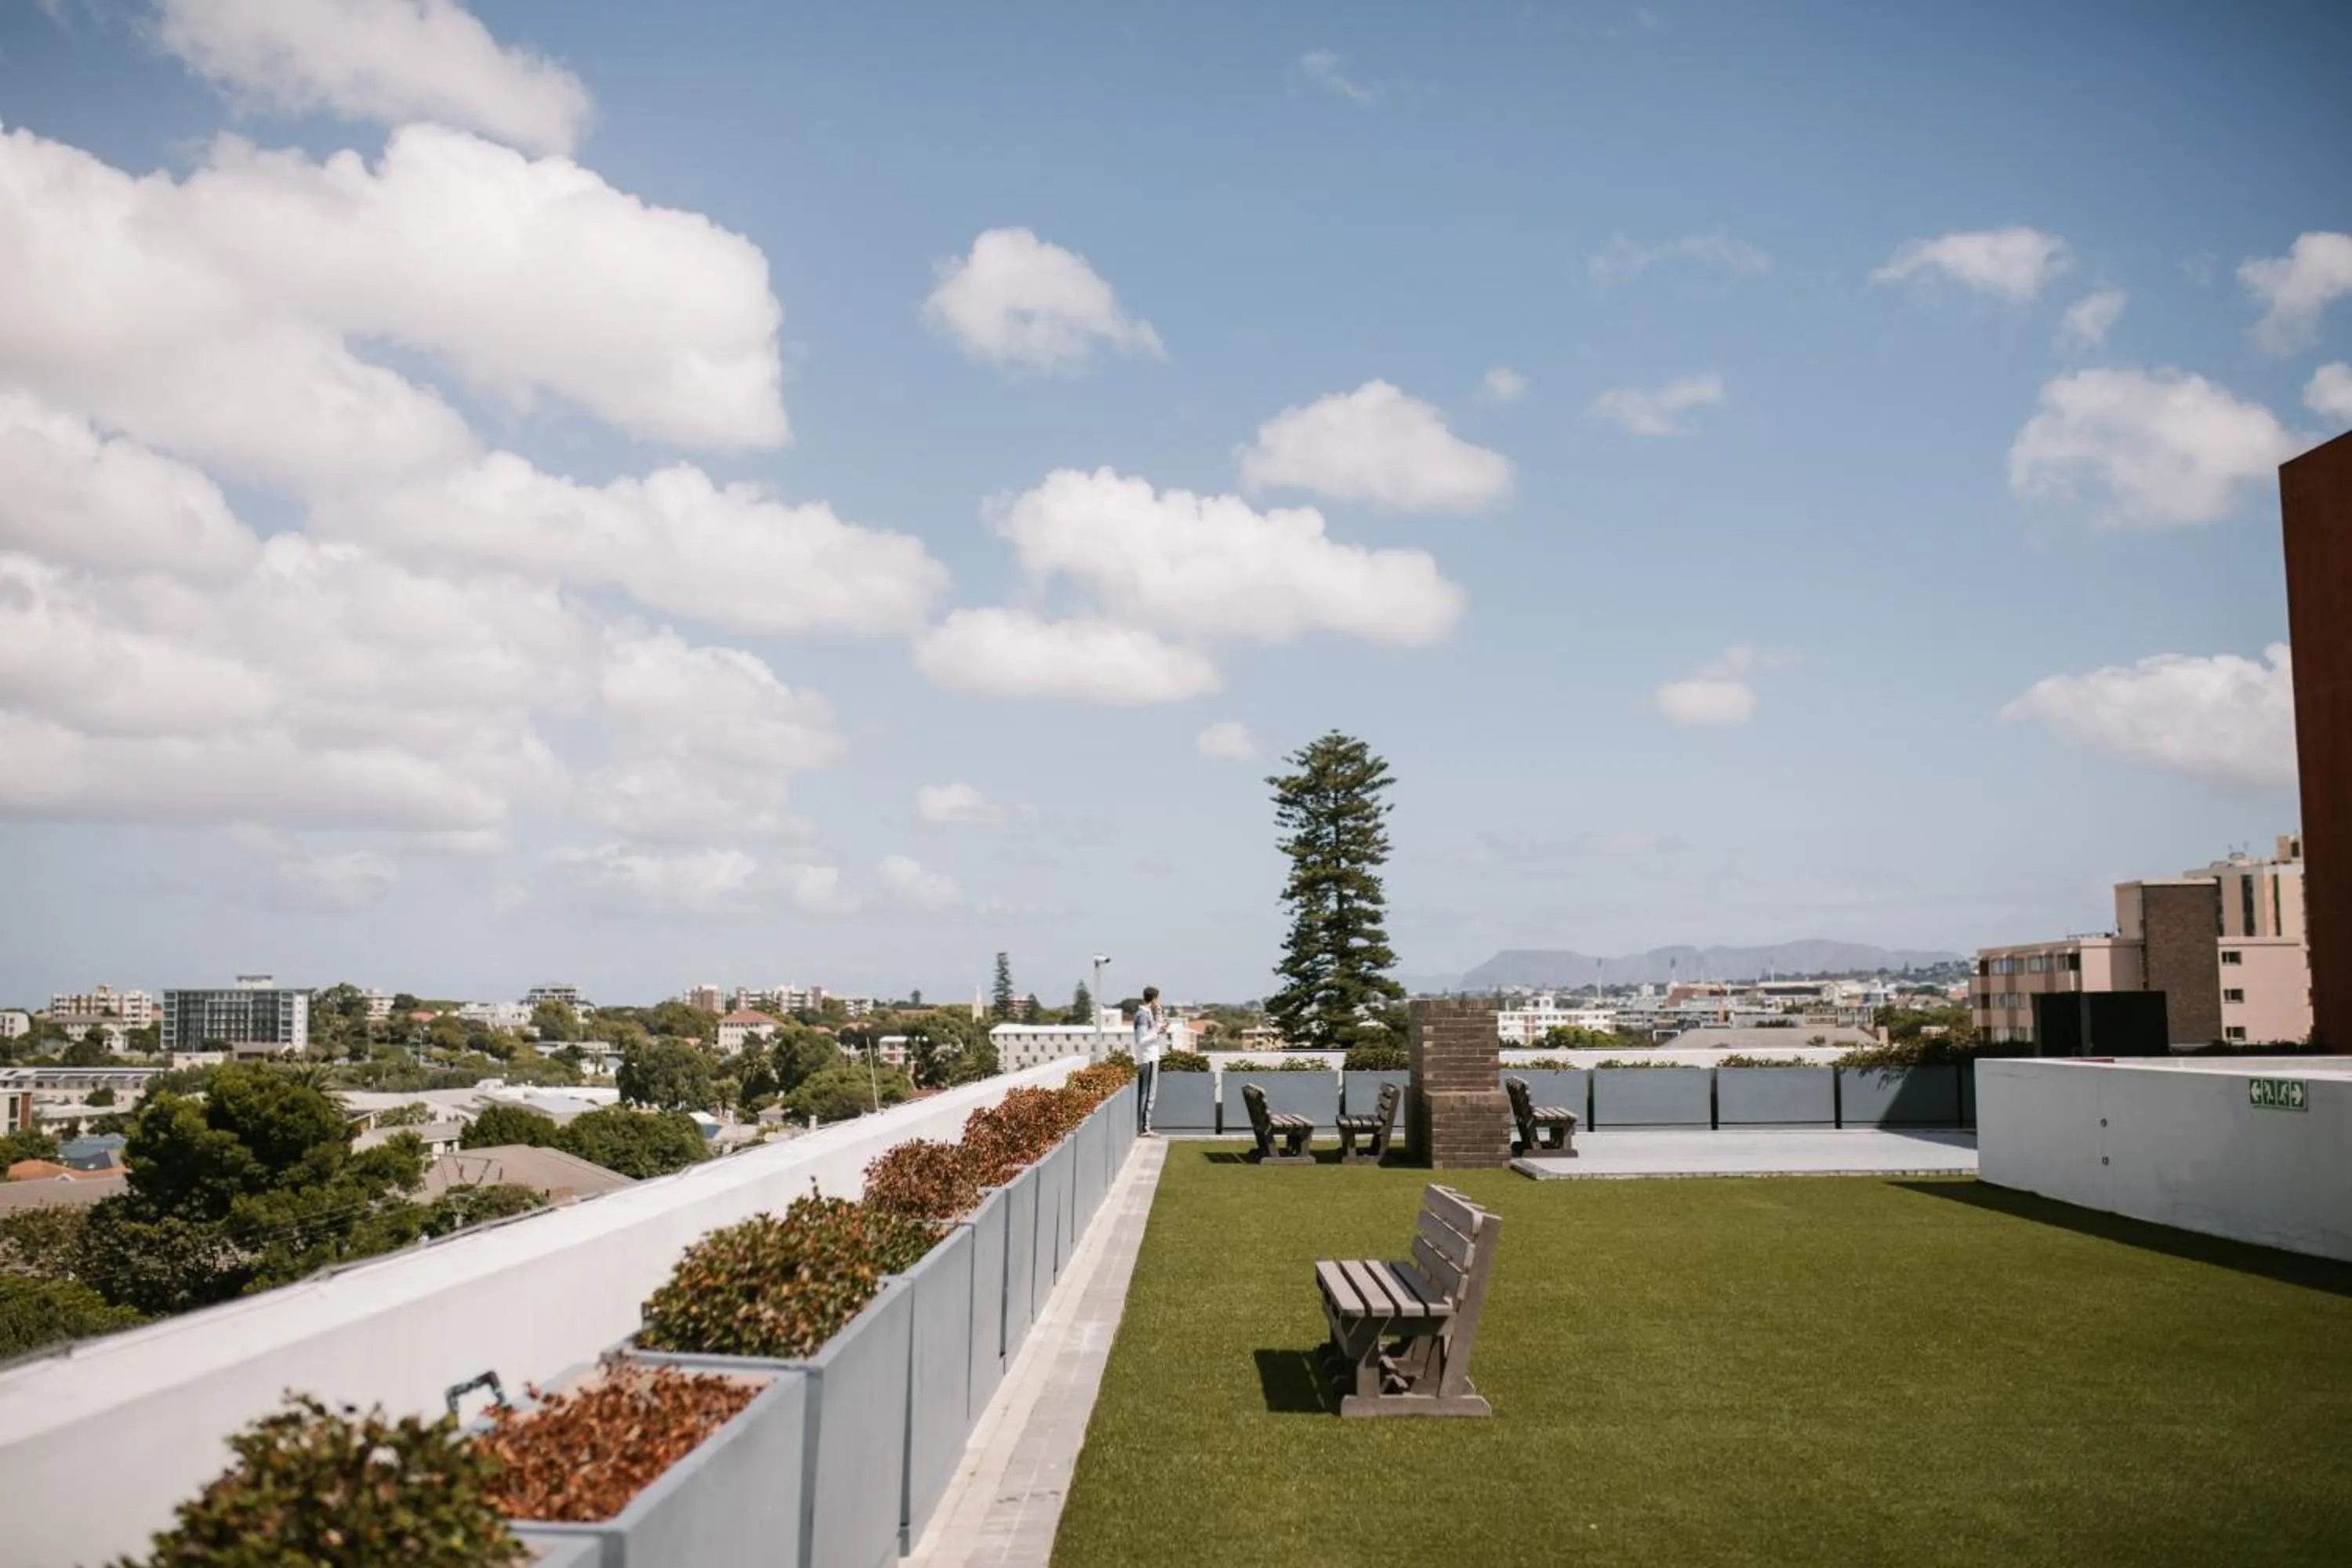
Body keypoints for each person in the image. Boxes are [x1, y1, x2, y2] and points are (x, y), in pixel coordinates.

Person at [1132, 985, 1167, 1134]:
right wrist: (1157, 1032)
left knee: (1148, 1093)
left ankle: (1144, 1126)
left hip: (1150, 1057)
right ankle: (1145, 1128)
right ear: (1153, 999)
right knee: (1148, 1094)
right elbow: (1140, 1040)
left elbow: (1153, 1031)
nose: (1158, 1002)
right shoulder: (1142, 1015)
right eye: (1157, 999)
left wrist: (1159, 1015)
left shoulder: (1147, 1014)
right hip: (1149, 1058)